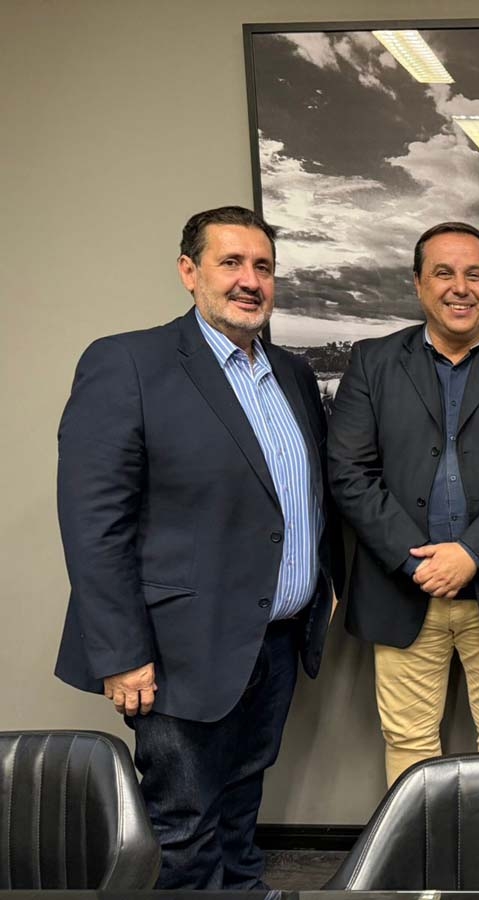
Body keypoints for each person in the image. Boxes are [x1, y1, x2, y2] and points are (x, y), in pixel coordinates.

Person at [55, 205, 343, 889]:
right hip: (177, 647)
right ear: (189, 271)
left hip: (274, 639)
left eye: (263, 266)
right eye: (231, 262)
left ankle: (242, 890)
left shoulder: (293, 374)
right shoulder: (128, 363)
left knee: (242, 801)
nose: (250, 280)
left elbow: (300, 496)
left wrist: (322, 584)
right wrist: (121, 653)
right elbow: (95, 524)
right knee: (182, 824)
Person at [328, 222, 479, 786]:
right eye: (443, 273)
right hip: (401, 587)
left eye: (475, 274)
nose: (460, 287)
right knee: (409, 742)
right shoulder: (372, 362)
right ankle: (421, 848)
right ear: (418, 284)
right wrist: (417, 563)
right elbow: (349, 472)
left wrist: (471, 553)